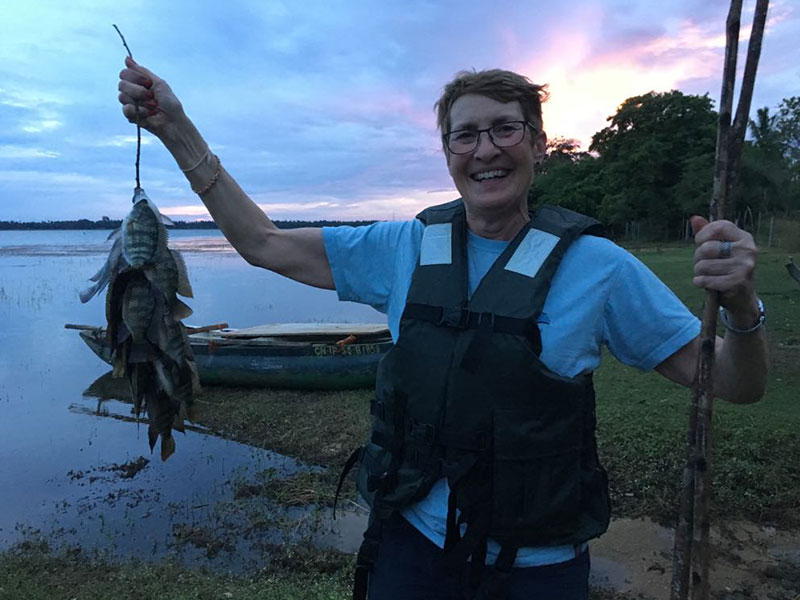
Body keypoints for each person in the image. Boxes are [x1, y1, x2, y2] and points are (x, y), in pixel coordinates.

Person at [118, 59, 768, 600]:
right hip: (409, 550)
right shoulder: (402, 246)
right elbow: (263, 243)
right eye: (465, 135)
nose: (485, 149)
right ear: (448, 154)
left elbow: (732, 385)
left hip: (536, 570)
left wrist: (741, 310)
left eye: (505, 130)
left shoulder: (597, 267)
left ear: (538, 144)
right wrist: (176, 130)